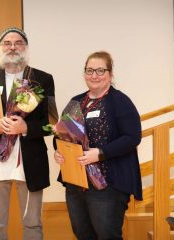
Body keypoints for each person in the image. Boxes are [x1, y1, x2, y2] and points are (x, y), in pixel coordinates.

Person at [0, 27, 58, 240]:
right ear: (0, 48)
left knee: (33, 225)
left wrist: (26, 128)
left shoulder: (43, 79)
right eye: (7, 43)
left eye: (18, 43)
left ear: (25, 48)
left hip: (30, 161)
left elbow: (52, 123)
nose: (13, 47)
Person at [54, 51, 142, 240]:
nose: (94, 75)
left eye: (100, 70)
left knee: (106, 234)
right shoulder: (76, 101)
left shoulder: (120, 102)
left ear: (111, 74)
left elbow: (132, 137)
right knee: (82, 233)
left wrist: (101, 153)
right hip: (77, 182)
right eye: (90, 70)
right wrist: (58, 152)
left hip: (107, 184)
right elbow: (62, 135)